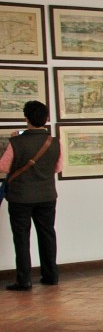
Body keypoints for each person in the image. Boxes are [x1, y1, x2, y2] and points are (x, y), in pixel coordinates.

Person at [1, 101, 63, 291]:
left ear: (26, 118)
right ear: (46, 119)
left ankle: (24, 280)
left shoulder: (16, 142)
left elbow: (3, 167)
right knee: (47, 234)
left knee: (21, 238)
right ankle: (51, 275)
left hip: (20, 197)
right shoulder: (54, 142)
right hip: (47, 195)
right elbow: (58, 168)